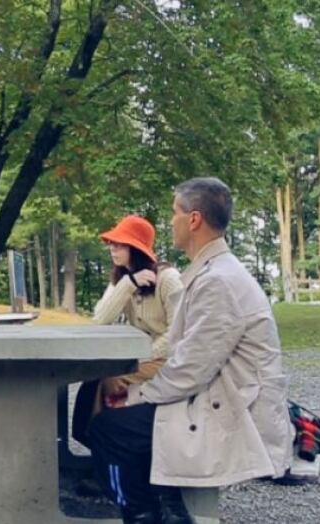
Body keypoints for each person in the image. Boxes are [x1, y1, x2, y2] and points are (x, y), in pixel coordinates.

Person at [88, 178, 294, 524]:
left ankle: (144, 516)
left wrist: (138, 394)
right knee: (109, 415)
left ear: (194, 219)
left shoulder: (217, 281)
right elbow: (189, 360)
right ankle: (161, 505)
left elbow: (191, 369)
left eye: (174, 213)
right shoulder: (213, 271)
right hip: (214, 394)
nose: (171, 221)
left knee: (108, 430)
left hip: (227, 407)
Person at [72, 215, 183, 453]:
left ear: (136, 248)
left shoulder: (168, 279)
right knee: (97, 377)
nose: (113, 248)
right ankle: (100, 446)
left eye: (120, 244)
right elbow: (100, 319)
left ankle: (110, 448)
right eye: (112, 243)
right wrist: (128, 283)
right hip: (143, 357)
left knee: (109, 379)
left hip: (167, 358)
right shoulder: (124, 279)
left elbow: (177, 334)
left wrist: (141, 358)